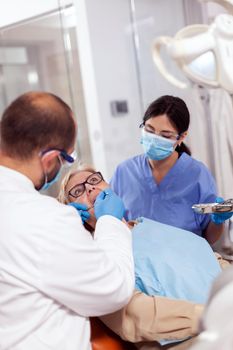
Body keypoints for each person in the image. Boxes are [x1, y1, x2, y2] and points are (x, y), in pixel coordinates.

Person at [0, 91, 135, 350]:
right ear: (50, 158)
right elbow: (114, 289)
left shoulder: (44, 217)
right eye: (65, 159)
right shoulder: (47, 219)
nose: (90, 190)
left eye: (94, 181)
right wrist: (108, 221)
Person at [58, 166, 229, 349]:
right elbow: (136, 315)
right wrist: (212, 314)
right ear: (76, 213)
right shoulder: (93, 258)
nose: (90, 188)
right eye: (77, 191)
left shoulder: (149, 225)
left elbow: (207, 259)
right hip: (192, 339)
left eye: (93, 180)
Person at [110, 95, 233, 244]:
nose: (154, 139)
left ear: (181, 137)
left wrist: (217, 221)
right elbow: (113, 226)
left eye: (165, 135)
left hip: (186, 263)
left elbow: (210, 238)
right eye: (149, 130)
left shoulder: (197, 175)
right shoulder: (124, 172)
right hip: (137, 263)